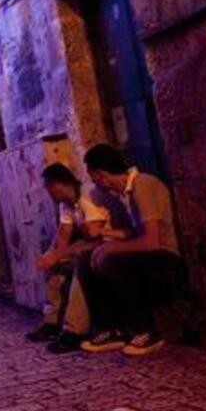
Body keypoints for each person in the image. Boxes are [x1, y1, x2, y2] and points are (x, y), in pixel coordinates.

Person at [77, 144, 184, 356]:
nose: (94, 183)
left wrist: (112, 249)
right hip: (150, 252)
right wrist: (104, 237)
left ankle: (146, 330)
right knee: (87, 258)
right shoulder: (126, 193)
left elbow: (152, 241)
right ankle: (111, 329)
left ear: (101, 175)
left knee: (112, 260)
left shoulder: (142, 186)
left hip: (165, 257)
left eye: (93, 176)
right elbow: (135, 233)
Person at [26, 163, 121, 354]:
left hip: (110, 244)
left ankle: (74, 331)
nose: (49, 192)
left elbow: (94, 239)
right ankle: (52, 322)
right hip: (93, 246)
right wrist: (51, 257)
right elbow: (63, 236)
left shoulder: (87, 196)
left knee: (80, 265)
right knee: (56, 266)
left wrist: (57, 255)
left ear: (63, 183)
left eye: (51, 186)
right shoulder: (66, 205)